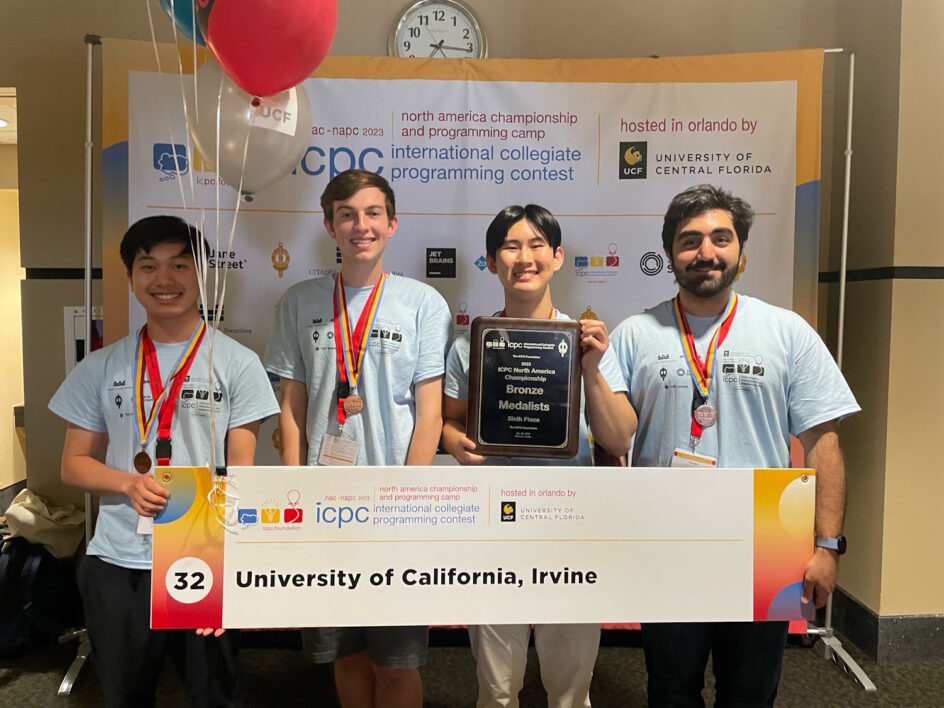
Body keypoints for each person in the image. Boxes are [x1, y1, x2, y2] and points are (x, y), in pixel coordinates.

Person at [609, 184, 860, 707]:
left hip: (765, 535)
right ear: (669, 254)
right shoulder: (634, 334)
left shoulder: (786, 331)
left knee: (750, 693)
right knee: (670, 690)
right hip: (668, 538)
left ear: (741, 253)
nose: (705, 252)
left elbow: (822, 443)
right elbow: (614, 440)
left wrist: (827, 544)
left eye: (721, 238)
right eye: (689, 240)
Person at [49, 215, 280, 707]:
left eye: (179, 264)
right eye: (148, 266)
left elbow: (242, 477)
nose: (164, 280)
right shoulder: (103, 365)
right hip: (118, 559)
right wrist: (128, 484)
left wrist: (231, 572)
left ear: (201, 274)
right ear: (131, 278)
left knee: (211, 695)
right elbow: (73, 465)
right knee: (126, 696)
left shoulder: (238, 363)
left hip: (202, 553)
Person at [264, 169, 451, 707]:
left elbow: (430, 414)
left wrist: (409, 500)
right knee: (344, 656)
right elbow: (291, 406)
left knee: (396, 663)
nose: (359, 225)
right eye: (346, 215)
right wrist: (295, 495)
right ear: (329, 225)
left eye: (372, 214)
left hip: (394, 505)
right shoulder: (299, 302)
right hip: (325, 507)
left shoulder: (422, 304)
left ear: (392, 224)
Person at [441, 204, 636, 708]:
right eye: (510, 246)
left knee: (570, 688)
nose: (523, 257)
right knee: (497, 687)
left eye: (535, 245)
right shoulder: (470, 344)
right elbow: (451, 420)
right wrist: (452, 441)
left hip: (569, 524)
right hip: (492, 527)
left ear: (557, 256)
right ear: (490, 261)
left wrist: (590, 372)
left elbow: (617, 439)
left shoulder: (587, 341)